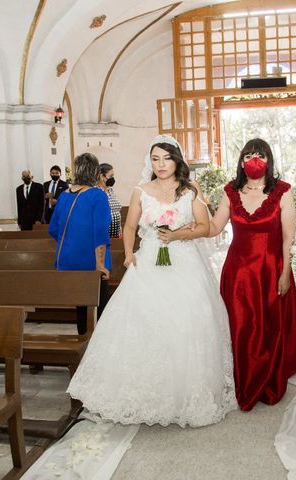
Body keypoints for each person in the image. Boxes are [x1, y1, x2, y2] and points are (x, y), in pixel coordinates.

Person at [66, 135, 236, 427]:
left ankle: (185, 394)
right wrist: (129, 254)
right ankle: (147, 394)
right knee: (144, 323)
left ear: (176, 160)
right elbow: (130, 226)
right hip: (150, 260)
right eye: (155, 159)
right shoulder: (140, 191)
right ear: (150, 161)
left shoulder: (189, 189)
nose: (161, 164)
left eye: (167, 158)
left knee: (188, 322)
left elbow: (206, 226)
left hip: (184, 261)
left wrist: (179, 234)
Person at [209, 138, 296, 411]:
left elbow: (288, 238)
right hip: (238, 272)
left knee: (269, 327)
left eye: (260, 155)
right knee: (240, 327)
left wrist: (285, 272)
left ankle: (269, 377)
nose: (254, 160)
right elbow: (215, 226)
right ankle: (243, 379)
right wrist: (191, 222)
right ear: (241, 161)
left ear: (269, 161)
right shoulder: (230, 192)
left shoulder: (283, 192)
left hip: (271, 269)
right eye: (249, 155)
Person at [49, 153, 112, 335]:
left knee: (82, 309)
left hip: (69, 261)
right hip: (91, 262)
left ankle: (82, 342)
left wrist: (70, 242)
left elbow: (53, 229)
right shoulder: (97, 195)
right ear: (95, 171)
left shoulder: (63, 196)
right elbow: (100, 231)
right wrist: (100, 264)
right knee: (99, 312)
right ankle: (95, 354)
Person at [98, 162, 122, 238]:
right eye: (111, 176)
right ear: (102, 176)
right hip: (104, 236)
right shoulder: (97, 192)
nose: (113, 178)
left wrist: (119, 228)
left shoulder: (111, 190)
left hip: (116, 235)